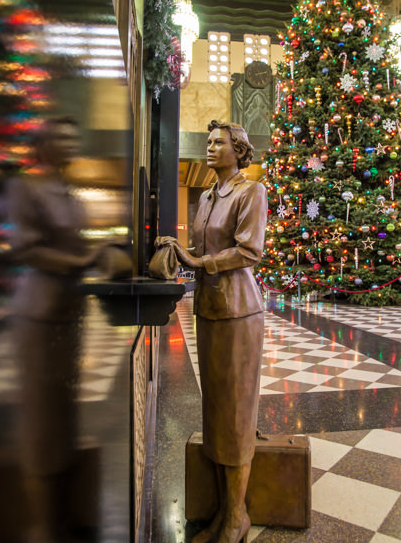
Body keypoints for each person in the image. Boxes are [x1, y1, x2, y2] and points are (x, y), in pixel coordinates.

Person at [158, 120, 267, 543]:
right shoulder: (206, 195)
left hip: (240, 312)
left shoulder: (251, 192)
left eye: (219, 142)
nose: (210, 146)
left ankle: (237, 517)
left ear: (238, 150)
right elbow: (201, 252)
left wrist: (197, 261)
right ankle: (224, 512)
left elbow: (248, 251)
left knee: (237, 416)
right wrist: (179, 251)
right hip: (209, 309)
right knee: (218, 415)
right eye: (207, 141)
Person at [7, 117, 98, 543]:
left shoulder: (71, 192)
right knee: (42, 418)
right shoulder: (26, 187)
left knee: (63, 416)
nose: (69, 142)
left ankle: (61, 516)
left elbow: (80, 247)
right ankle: (42, 524)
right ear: (42, 144)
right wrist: (80, 263)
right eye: (60, 136)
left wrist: (99, 259)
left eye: (72, 135)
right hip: (39, 314)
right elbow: (27, 247)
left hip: (68, 314)